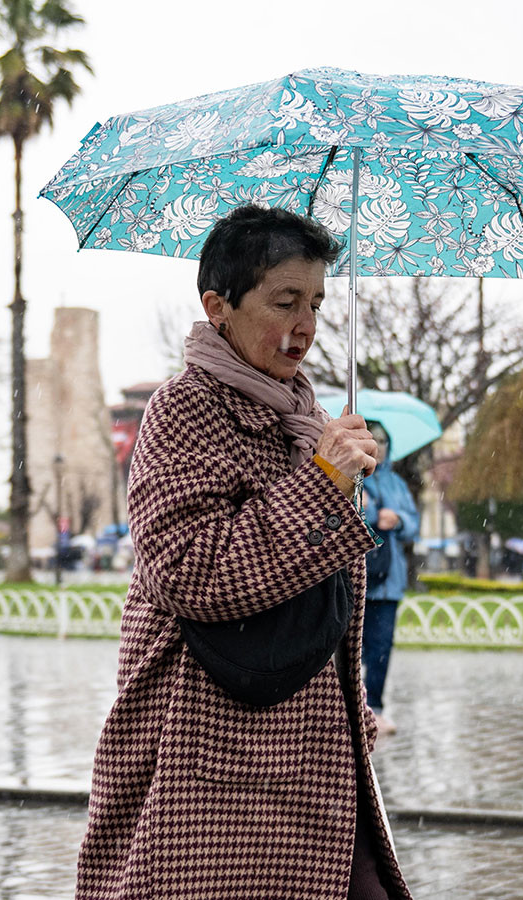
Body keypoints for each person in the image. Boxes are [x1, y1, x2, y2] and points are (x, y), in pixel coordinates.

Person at [76, 207, 411, 900]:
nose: (306, 325)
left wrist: (352, 712)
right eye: (285, 301)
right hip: (211, 750)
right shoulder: (185, 407)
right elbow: (188, 569)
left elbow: (321, 597)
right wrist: (321, 483)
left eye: (316, 303)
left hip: (312, 756)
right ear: (218, 306)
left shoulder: (308, 421)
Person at [361, 421, 421, 737]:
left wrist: (397, 520)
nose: (379, 446)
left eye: (385, 440)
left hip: (388, 581)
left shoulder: (397, 483)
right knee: (349, 648)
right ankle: (347, 707)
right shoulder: (352, 475)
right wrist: (369, 514)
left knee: (381, 647)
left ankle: (376, 709)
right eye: (374, 439)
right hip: (356, 577)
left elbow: (414, 524)